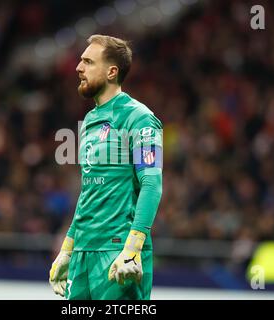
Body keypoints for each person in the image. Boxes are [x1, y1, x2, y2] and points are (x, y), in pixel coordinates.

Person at [49, 34, 163, 300]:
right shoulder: (90, 120)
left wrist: (133, 247)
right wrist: (68, 247)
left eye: (88, 62)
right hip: (82, 255)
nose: (78, 68)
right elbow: (89, 191)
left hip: (117, 254)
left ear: (112, 71)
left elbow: (152, 184)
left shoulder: (139, 118)